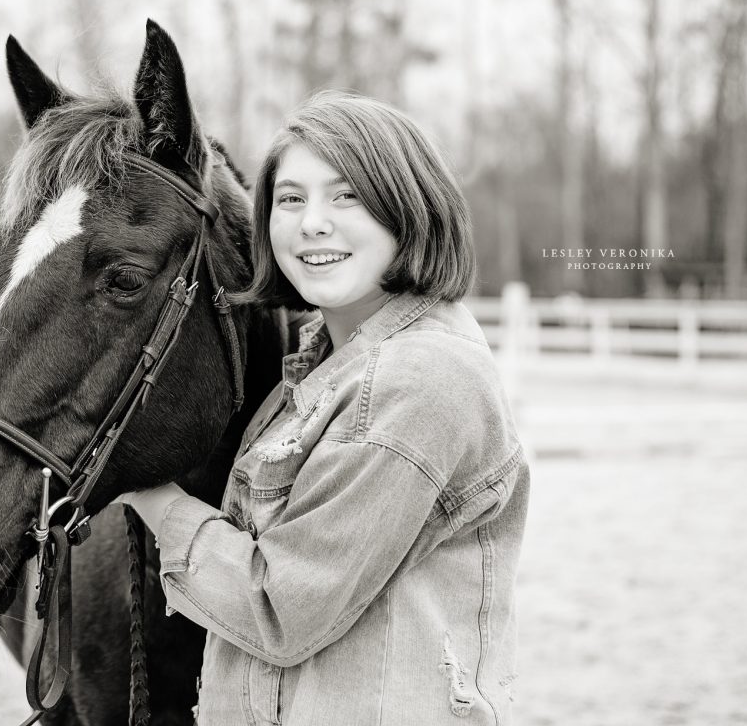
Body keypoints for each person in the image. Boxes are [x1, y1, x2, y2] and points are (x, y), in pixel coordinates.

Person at [117, 91, 528, 725]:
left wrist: (149, 493)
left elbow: (279, 609)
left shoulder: (420, 380)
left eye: (347, 196)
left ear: (409, 210)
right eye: (290, 199)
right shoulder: (321, 367)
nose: (312, 222)